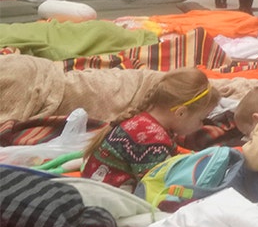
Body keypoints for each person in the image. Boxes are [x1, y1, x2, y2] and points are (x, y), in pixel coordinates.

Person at [81, 68, 219, 192]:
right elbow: (156, 186)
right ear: (181, 113)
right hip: (109, 197)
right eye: (201, 119)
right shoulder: (152, 138)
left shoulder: (144, 122)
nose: (202, 126)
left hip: (98, 188)